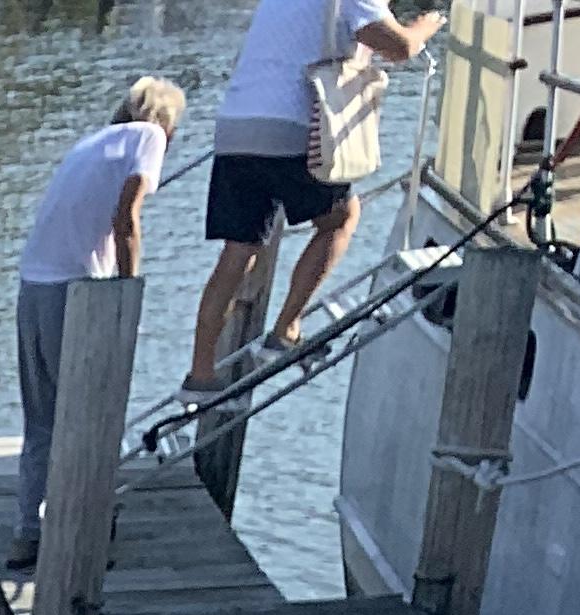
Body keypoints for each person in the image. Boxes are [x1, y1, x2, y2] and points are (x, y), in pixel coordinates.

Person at [187, 0, 445, 387]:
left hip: (236, 127)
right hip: (291, 126)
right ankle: (286, 328)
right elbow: (399, 46)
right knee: (340, 219)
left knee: (238, 250)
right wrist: (425, 26)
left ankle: (200, 373)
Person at [8, 79, 184, 571]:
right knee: (89, 416)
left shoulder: (91, 143)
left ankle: (27, 533)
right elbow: (127, 219)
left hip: (33, 285)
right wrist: (128, 290)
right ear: (165, 121)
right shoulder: (148, 137)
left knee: (42, 421)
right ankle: (83, 534)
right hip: (76, 291)